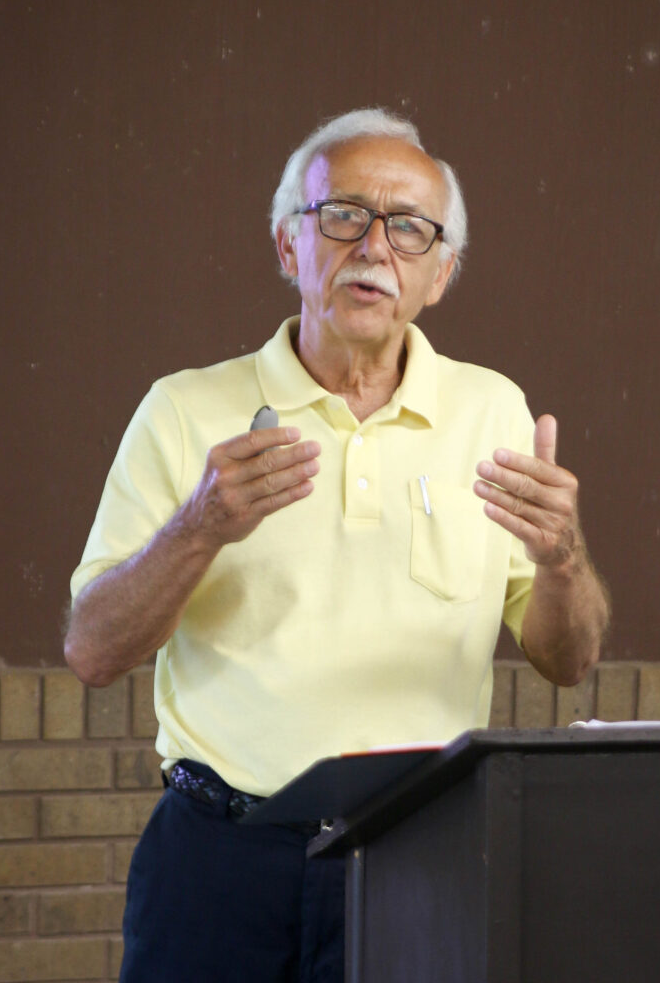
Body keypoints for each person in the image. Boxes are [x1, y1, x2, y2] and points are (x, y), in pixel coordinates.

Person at [64, 107, 610, 982]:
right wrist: (201, 525)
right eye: (343, 215)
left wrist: (562, 560)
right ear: (289, 247)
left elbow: (566, 660)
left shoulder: (494, 412)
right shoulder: (183, 409)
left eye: (409, 228)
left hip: (420, 856)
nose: (374, 247)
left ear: (440, 273)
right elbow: (93, 651)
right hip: (220, 860)